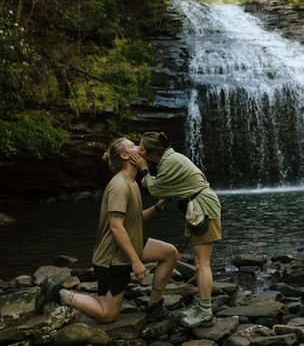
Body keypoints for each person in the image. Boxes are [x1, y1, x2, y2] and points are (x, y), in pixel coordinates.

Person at [37, 138, 179, 324]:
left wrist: (158, 206)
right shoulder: (119, 185)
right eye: (133, 146)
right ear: (125, 155)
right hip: (112, 258)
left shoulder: (133, 183)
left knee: (170, 253)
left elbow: (134, 220)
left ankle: (155, 307)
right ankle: (55, 291)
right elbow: (116, 226)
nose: (139, 147)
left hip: (128, 247)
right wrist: (135, 261)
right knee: (107, 315)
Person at [130, 131, 221, 328]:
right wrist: (152, 177)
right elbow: (164, 187)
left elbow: (155, 190)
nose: (138, 150)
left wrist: (145, 170)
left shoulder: (169, 161)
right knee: (199, 261)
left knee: (202, 263)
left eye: (141, 148)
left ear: (150, 152)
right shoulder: (169, 160)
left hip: (203, 208)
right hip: (199, 207)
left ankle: (205, 312)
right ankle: (201, 306)